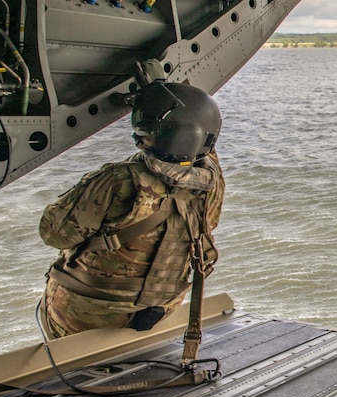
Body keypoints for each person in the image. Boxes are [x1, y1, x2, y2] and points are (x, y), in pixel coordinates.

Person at [38, 62, 224, 339]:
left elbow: (53, 233)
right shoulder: (212, 182)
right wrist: (162, 95)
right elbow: (199, 137)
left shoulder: (120, 180)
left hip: (88, 315)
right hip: (159, 309)